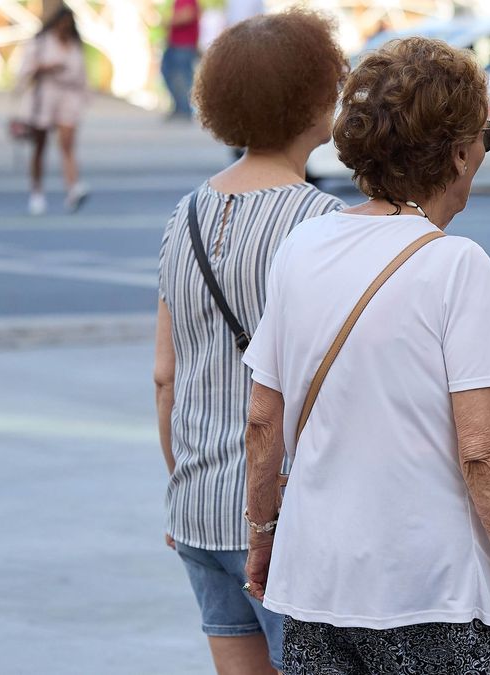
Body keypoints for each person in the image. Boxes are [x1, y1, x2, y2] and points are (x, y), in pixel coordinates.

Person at [241, 37, 490, 675]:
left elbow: (261, 421)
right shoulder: (455, 264)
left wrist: (264, 533)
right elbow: (483, 448)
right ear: (459, 151)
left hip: (316, 586)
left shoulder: (304, 246)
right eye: (484, 140)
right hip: (430, 594)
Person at [153, 9, 347, 674]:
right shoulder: (323, 222)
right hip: (282, 519)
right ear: (313, 102)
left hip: (198, 507)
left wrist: (180, 479)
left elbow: (164, 374)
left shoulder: (185, 216)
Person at [16, 5, 89, 216]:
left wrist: (84, 99)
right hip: (44, 97)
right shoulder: (41, 42)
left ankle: (73, 188)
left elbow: (81, 74)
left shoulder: (74, 45)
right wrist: (45, 67)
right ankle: (37, 193)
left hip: (68, 98)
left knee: (67, 143)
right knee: (40, 146)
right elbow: (24, 71)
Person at [161, 0, 199, 119]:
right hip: (174, 43)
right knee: (168, 73)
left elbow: (188, 15)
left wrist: (168, 21)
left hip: (184, 45)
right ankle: (179, 106)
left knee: (182, 77)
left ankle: (185, 109)